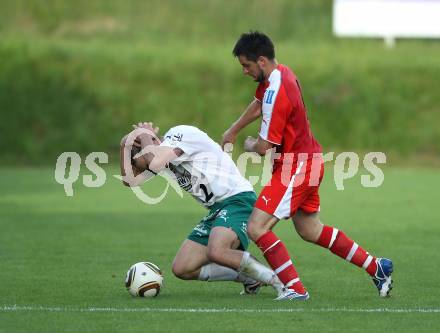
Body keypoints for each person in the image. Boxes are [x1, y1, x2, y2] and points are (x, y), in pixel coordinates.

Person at [222, 31, 393, 300]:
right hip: (307, 162)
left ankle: (295, 289)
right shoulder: (280, 74)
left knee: (257, 227)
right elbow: (258, 103)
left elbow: (265, 147)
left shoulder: (275, 92)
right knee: (310, 230)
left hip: (297, 166)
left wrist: (249, 143)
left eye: (247, 65)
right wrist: (233, 129)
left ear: (262, 61)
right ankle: (377, 267)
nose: (244, 71)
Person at [120, 122, 285, 297]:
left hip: (238, 199)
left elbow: (154, 162)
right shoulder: (161, 157)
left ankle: (279, 282)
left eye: (140, 162)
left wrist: (144, 134)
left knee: (217, 251)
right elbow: (130, 180)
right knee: (182, 268)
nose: (141, 168)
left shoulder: (180, 134)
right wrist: (125, 144)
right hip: (217, 208)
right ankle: (250, 277)